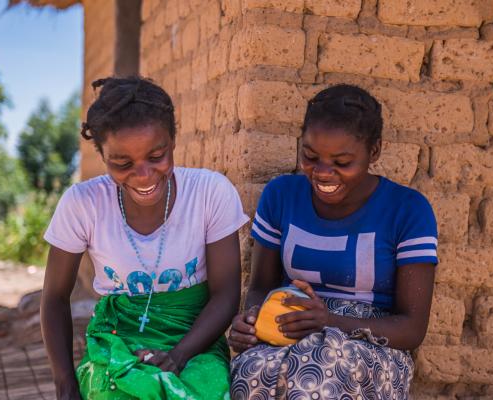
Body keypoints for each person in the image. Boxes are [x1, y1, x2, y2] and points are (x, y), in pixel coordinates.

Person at [41, 76, 248, 399]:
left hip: (196, 342)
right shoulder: (83, 204)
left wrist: (179, 355)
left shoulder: (210, 193)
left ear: (174, 140)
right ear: (102, 154)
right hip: (117, 340)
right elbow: (54, 297)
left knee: (201, 391)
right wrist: (65, 385)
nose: (143, 175)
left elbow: (226, 294)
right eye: (122, 163)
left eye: (156, 156)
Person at [228, 84, 438, 399]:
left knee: (317, 377)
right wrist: (252, 320)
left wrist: (328, 322)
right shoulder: (281, 195)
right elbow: (260, 286)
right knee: (250, 371)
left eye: (341, 162)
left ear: (375, 151)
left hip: (370, 344)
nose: (323, 173)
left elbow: (412, 329)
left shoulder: (407, 209)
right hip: (291, 327)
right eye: (310, 157)